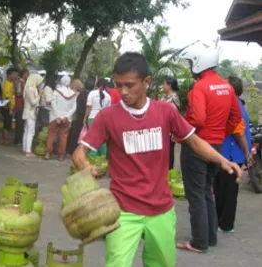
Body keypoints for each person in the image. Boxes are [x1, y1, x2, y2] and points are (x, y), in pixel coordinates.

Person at [72, 52, 242, 267]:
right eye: (118, 85)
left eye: (130, 85)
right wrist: (86, 168)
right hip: (123, 212)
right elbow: (79, 153)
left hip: (161, 211)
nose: (123, 92)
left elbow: (194, 140)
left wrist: (222, 160)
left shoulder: (165, 112)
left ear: (146, 81)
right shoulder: (108, 117)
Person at [176, 41, 243, 253]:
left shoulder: (200, 87)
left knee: (196, 194)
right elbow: (235, 118)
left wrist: (183, 134)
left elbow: (198, 118)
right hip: (216, 146)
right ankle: (210, 237)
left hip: (197, 145)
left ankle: (199, 242)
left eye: (190, 63)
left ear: (198, 63)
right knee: (207, 192)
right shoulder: (227, 87)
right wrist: (220, 135)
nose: (189, 67)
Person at [214, 76, 253, 234]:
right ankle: (222, 222)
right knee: (224, 190)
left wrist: (247, 153)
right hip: (230, 154)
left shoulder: (233, 105)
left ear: (231, 89)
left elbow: (239, 133)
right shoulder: (239, 104)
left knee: (225, 191)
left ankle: (225, 224)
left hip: (231, 155)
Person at [44, 75, 77, 161]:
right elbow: (74, 107)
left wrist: (58, 116)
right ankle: (61, 155)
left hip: (54, 117)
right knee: (63, 137)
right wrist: (66, 116)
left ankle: (47, 153)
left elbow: (53, 104)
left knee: (51, 134)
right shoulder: (73, 94)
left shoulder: (56, 92)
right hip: (66, 119)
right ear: (69, 83)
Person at [84, 78, 111, 157]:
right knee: (102, 138)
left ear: (97, 84)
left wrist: (85, 118)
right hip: (103, 118)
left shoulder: (92, 93)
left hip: (92, 117)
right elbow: (108, 110)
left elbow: (88, 107)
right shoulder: (108, 96)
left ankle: (92, 156)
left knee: (93, 137)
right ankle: (102, 156)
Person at [66, 78, 91, 155]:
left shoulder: (79, 94)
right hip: (85, 117)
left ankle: (71, 150)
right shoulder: (89, 94)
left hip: (77, 117)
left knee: (74, 134)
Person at [161, 77, 181, 170]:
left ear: (169, 85)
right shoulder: (165, 97)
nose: (163, 86)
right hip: (162, 131)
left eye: (164, 84)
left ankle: (169, 174)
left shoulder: (173, 99)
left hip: (168, 131)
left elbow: (173, 117)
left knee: (169, 154)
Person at [22, 74, 44, 157]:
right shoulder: (31, 89)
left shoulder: (29, 88)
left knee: (27, 131)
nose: (40, 83)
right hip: (30, 113)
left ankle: (25, 149)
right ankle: (28, 151)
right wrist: (40, 94)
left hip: (28, 112)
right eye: (40, 81)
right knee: (30, 132)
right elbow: (33, 102)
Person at [1, 68, 17, 145]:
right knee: (6, 125)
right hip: (7, 108)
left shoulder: (11, 83)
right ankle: (5, 140)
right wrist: (10, 108)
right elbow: (7, 98)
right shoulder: (6, 84)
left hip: (10, 107)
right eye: (14, 75)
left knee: (8, 124)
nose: (15, 76)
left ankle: (7, 140)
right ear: (9, 75)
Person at [14, 69, 29, 145]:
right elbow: (18, 93)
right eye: (27, 74)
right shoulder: (20, 82)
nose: (28, 75)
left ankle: (19, 138)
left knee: (21, 122)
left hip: (22, 103)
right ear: (24, 74)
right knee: (19, 122)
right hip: (19, 103)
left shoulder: (23, 82)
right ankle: (17, 139)